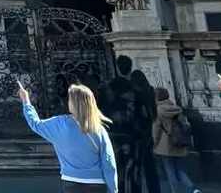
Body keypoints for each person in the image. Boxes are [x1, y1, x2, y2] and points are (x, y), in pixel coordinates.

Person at [19, 80, 117, 193]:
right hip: (97, 183)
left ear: (74, 103)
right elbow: (109, 163)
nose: (68, 102)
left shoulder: (60, 125)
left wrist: (26, 101)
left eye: (70, 99)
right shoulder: (99, 129)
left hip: (72, 183)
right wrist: (113, 189)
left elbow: (35, 124)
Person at [100, 55, 155, 193]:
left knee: (114, 171)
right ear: (130, 69)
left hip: (111, 137)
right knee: (133, 172)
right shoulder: (137, 90)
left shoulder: (105, 89)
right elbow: (146, 116)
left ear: (116, 68)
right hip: (133, 138)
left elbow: (98, 113)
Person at [150, 86, 196, 193]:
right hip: (178, 142)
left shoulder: (158, 111)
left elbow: (156, 130)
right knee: (179, 169)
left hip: (164, 146)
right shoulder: (176, 108)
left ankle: (176, 191)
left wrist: (154, 143)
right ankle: (192, 188)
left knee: (170, 171)